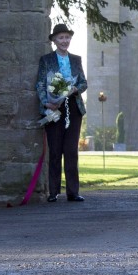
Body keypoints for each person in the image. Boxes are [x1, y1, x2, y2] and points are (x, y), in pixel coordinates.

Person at [36, 23, 88, 203]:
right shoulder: (46, 60)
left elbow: (83, 83)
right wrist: (46, 103)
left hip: (73, 107)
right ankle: (53, 191)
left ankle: (73, 192)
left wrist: (75, 88)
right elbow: (41, 84)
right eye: (61, 38)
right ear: (54, 40)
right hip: (54, 109)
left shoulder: (76, 59)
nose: (64, 41)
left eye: (67, 37)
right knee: (56, 150)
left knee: (71, 150)